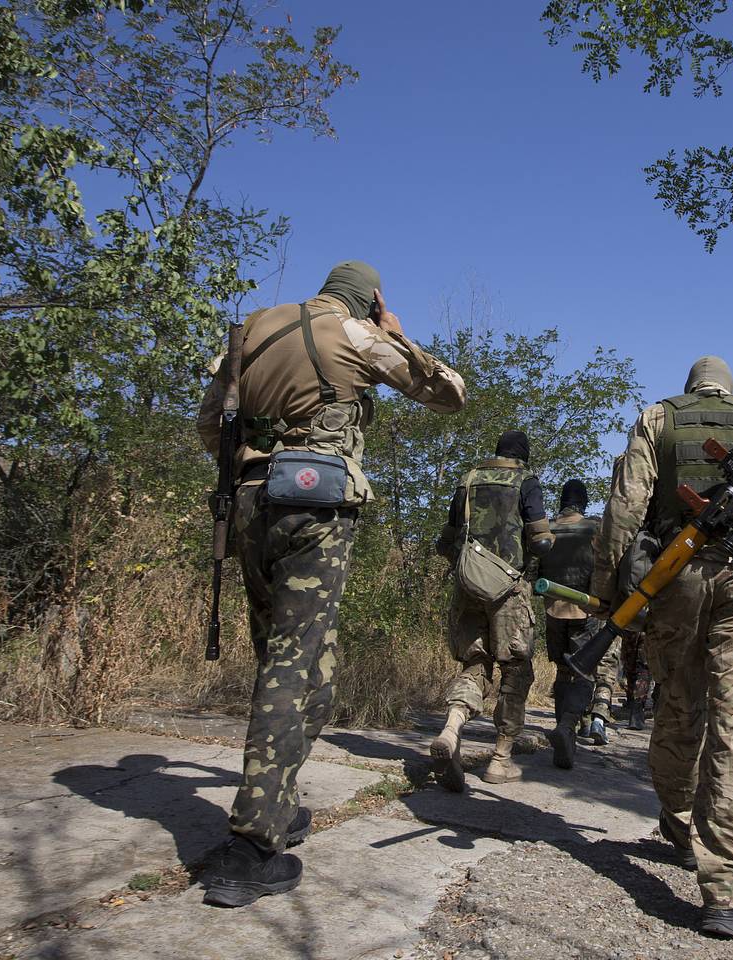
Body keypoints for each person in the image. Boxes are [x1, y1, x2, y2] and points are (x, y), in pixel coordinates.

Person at [195, 260, 466, 907]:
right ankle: (250, 848)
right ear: (370, 300)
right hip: (315, 512)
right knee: (293, 670)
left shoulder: (252, 332)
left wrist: (253, 466)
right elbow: (450, 392)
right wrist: (394, 335)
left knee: (305, 671)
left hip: (251, 511)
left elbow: (211, 425)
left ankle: (277, 801)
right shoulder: (353, 333)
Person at [590, 356, 733, 939]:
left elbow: (623, 510)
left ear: (691, 388)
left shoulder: (657, 418)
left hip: (676, 574)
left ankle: (680, 822)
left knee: (679, 706)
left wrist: (608, 593)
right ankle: (724, 892)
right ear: (730, 390)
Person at [431, 429, 554, 790]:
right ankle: (501, 759)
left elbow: (448, 539)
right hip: (509, 590)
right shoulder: (526, 480)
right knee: (515, 671)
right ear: (523, 455)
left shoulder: (468, 479)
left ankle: (452, 726)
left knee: (474, 664)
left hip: (467, 585)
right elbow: (542, 540)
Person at [539, 478, 609, 768]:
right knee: (583, 675)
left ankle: (562, 729)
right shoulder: (595, 527)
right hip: (585, 612)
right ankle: (567, 727)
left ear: (561, 501)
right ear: (583, 501)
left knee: (561, 670)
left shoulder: (548, 529)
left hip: (553, 609)